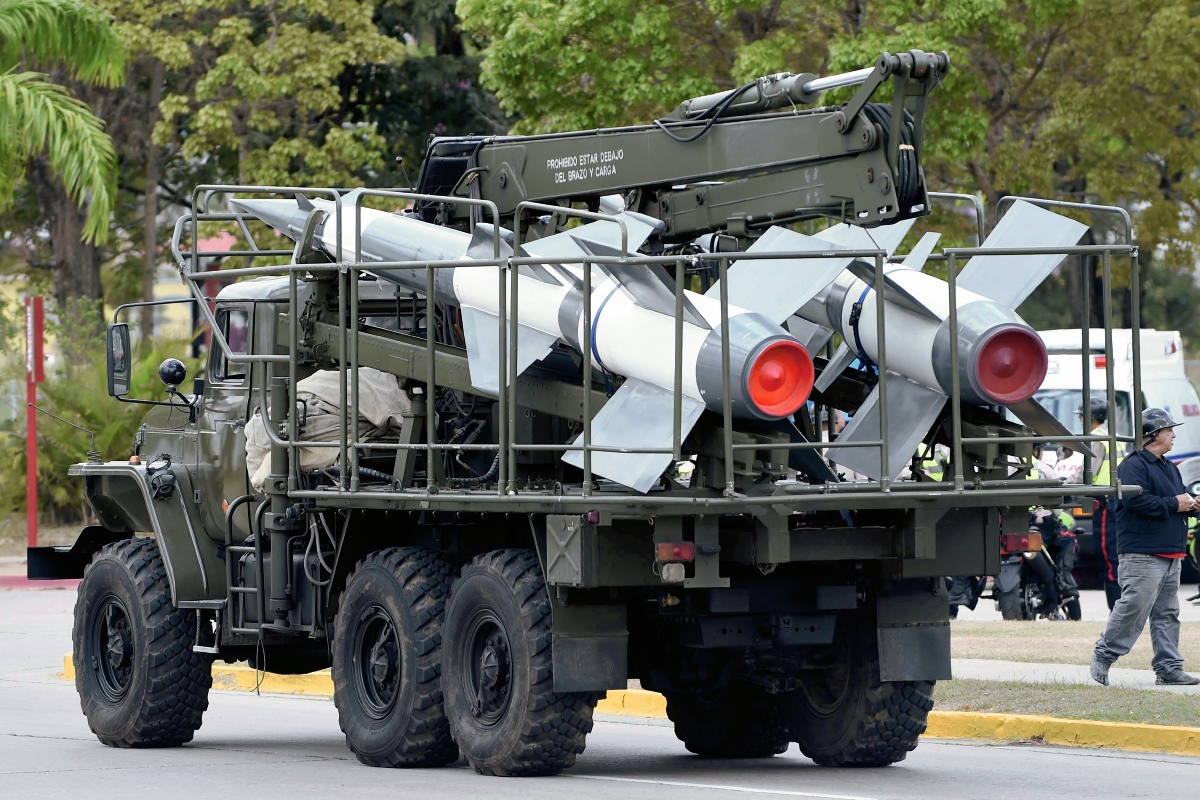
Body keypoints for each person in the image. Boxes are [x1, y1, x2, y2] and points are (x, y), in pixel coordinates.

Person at [1091, 409, 1200, 686]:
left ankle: (1168, 668)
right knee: (1134, 606)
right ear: (1152, 435)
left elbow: (1176, 500)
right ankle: (1104, 654)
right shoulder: (1133, 465)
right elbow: (1135, 502)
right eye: (1168, 430)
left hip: (1170, 551)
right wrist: (1176, 504)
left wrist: (1192, 505)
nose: (1173, 434)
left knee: (1167, 613)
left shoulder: (1169, 467)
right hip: (1143, 553)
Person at [1079, 398, 1120, 609]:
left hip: (1106, 502)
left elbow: (1088, 472)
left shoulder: (1094, 438)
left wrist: (1066, 481)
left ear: (1090, 418)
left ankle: (1117, 611)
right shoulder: (1114, 435)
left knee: (1108, 557)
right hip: (1120, 500)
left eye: (1081, 416)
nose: (1079, 420)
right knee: (1120, 556)